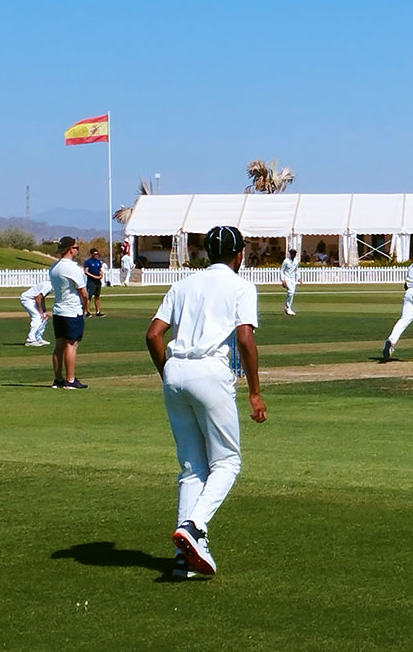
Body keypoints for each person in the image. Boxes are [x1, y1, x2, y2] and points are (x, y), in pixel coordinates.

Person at [145, 225, 266, 579]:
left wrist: (167, 373)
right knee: (227, 463)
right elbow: (245, 339)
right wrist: (255, 392)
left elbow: (154, 334)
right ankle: (195, 529)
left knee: (192, 467)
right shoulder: (241, 286)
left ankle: (184, 559)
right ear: (239, 254)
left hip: (176, 370)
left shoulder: (183, 284)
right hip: (209, 372)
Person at [49, 236, 89, 388]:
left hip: (58, 311)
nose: (77, 250)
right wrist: (86, 307)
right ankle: (70, 380)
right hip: (71, 311)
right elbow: (83, 292)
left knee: (59, 345)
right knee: (71, 345)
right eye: (76, 247)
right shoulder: (72, 268)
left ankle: (58, 379)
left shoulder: (54, 268)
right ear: (70, 249)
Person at [20, 279, 53, 347]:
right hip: (27, 299)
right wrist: (40, 312)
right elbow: (37, 298)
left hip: (32, 300)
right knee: (37, 317)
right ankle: (30, 340)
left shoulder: (51, 286)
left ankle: (38, 338)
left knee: (44, 317)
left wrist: (44, 311)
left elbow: (42, 298)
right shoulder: (49, 285)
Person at [83, 247, 106, 317]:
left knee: (97, 296)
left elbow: (100, 270)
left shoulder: (98, 262)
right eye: (95, 254)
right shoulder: (88, 262)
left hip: (98, 282)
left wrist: (101, 275)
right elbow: (86, 271)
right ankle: (87, 312)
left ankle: (98, 311)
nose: (96, 255)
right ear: (92, 254)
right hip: (91, 281)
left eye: (97, 254)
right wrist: (93, 276)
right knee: (88, 297)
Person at [280, 249, 300, 316]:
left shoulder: (296, 261)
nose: (293, 255)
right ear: (290, 254)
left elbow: (296, 270)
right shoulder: (286, 261)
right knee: (291, 292)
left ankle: (288, 307)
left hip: (292, 279)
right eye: (292, 253)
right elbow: (282, 270)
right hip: (287, 278)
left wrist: (299, 278)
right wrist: (283, 280)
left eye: (294, 253)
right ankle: (288, 308)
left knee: (292, 292)